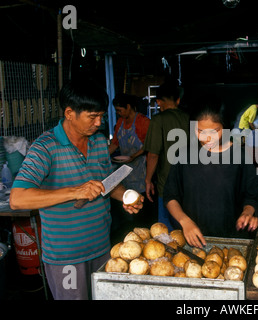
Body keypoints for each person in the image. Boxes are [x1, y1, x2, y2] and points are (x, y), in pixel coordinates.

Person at [9, 79, 143, 300]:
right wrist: (75, 191)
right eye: (92, 117)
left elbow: (106, 184)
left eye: (101, 115)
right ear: (69, 113)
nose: (99, 122)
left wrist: (126, 198)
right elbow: (17, 199)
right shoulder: (45, 148)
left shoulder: (99, 142)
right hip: (67, 259)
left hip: (102, 250)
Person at [163, 97, 258, 248]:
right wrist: (184, 221)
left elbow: (252, 195)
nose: (207, 138)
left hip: (232, 242)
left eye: (215, 131)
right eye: (200, 131)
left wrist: (248, 212)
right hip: (193, 242)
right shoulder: (183, 155)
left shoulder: (240, 156)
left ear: (225, 126)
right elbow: (171, 195)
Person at [143, 82, 189, 231]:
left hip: (167, 183)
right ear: (178, 100)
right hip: (189, 181)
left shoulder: (158, 120)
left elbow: (153, 155)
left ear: (158, 102)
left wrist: (148, 180)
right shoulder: (189, 118)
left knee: (166, 231)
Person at [109, 93, 150, 194]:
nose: (118, 113)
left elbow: (149, 145)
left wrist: (133, 156)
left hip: (141, 169)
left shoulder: (143, 122)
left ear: (128, 106)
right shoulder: (120, 122)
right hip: (124, 169)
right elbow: (115, 144)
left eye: (119, 110)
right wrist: (102, 156)